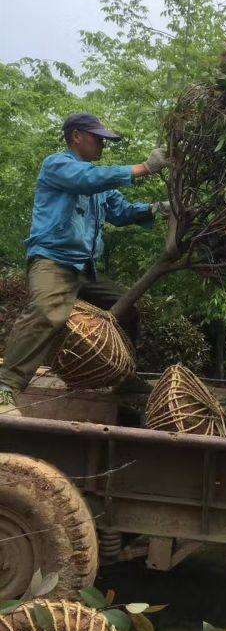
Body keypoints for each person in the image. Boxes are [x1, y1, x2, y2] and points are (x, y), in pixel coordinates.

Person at [0, 112, 170, 413]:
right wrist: (143, 168)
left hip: (84, 269)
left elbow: (122, 212)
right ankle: (6, 388)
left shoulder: (100, 184)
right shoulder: (57, 165)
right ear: (76, 136)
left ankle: (125, 379)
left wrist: (157, 208)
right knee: (46, 312)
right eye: (98, 138)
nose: (103, 144)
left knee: (125, 306)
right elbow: (86, 180)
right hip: (53, 261)